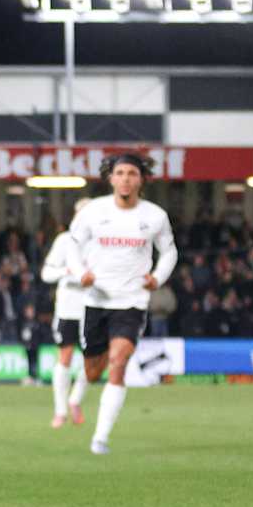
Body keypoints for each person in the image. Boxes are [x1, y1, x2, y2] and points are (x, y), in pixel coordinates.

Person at [65, 154, 177, 455]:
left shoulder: (155, 216)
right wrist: (81, 273)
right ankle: (78, 394)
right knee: (93, 370)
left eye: (132, 173)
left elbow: (169, 252)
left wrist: (157, 277)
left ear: (141, 179)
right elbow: (72, 247)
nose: (126, 178)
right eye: (120, 173)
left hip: (132, 302)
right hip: (96, 300)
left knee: (118, 363)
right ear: (110, 178)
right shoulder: (93, 212)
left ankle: (100, 438)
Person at [41, 198, 92, 428]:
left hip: (93, 307)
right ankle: (60, 411)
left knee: (93, 359)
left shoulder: (101, 243)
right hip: (68, 307)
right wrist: (66, 271)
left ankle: (75, 400)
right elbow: (46, 274)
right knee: (65, 356)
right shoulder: (64, 240)